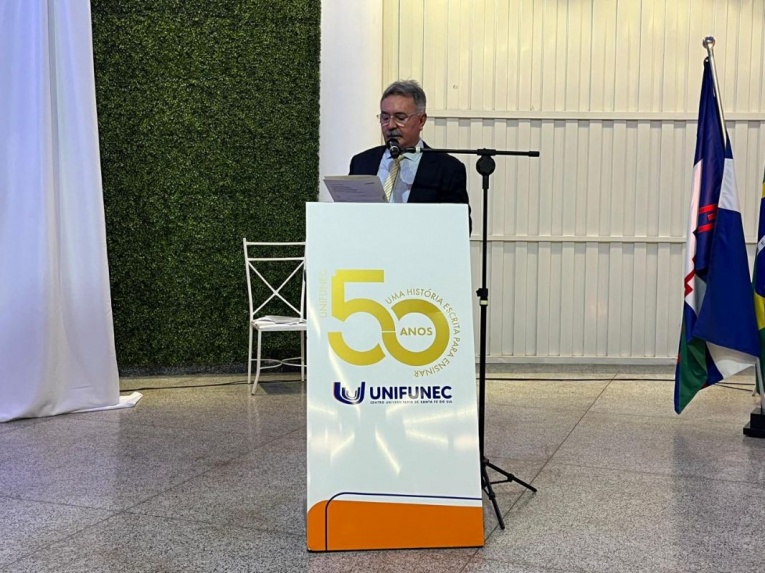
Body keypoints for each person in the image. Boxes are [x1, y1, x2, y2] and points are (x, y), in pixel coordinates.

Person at [349, 80, 471, 231]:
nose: (390, 125)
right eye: (385, 118)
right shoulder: (361, 162)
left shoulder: (448, 169)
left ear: (421, 121)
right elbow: (349, 215)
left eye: (400, 118)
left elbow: (459, 228)